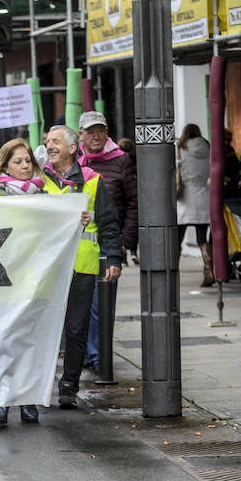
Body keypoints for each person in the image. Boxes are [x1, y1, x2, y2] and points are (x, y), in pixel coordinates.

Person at [43, 126, 123, 408]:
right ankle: (39, 382)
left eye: (55, 142)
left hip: (82, 267)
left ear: (73, 148)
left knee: (76, 330)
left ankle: (68, 386)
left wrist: (114, 257)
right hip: (46, 269)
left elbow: (109, 222)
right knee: (45, 328)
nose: (49, 146)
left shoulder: (92, 181)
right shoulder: (39, 181)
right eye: (47, 142)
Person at [0, 138, 51, 427]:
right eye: (17, 162)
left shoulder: (45, 196)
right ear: (5, 164)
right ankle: (1, 400)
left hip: (34, 280)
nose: (24, 167)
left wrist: (77, 218)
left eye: (28, 161)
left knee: (29, 342)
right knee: (2, 341)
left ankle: (27, 399)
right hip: (1, 281)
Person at [77, 111, 139, 368]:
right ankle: (83, 351)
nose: (96, 136)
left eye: (100, 131)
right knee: (79, 302)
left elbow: (135, 202)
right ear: (81, 135)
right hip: (78, 245)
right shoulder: (74, 162)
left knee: (100, 304)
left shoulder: (122, 161)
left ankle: (97, 354)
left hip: (108, 243)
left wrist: (125, 241)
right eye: (90, 131)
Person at [175, 123, 214, 287]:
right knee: (202, 238)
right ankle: (208, 267)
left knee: (177, 238)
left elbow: (177, 169)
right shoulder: (207, 147)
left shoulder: (181, 147)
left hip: (185, 196)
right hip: (204, 194)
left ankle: (172, 271)